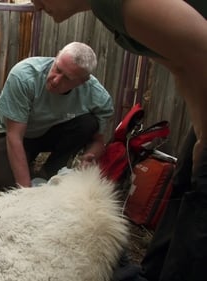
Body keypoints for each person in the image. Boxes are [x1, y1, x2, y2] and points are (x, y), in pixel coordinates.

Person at [30, 0, 207, 280]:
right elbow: (180, 65)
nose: (35, 6)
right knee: (185, 183)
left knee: (201, 214)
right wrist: (200, 132)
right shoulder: (111, 12)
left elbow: (203, 50)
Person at [0, 42, 114, 191]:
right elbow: (14, 136)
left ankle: (50, 170)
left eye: (67, 78)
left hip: (51, 131)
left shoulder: (98, 97)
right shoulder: (23, 76)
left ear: (83, 81)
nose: (55, 80)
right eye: (57, 69)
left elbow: (98, 142)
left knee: (89, 122)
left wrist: (90, 155)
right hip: (19, 135)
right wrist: (26, 192)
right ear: (56, 56)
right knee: (7, 186)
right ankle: (27, 161)